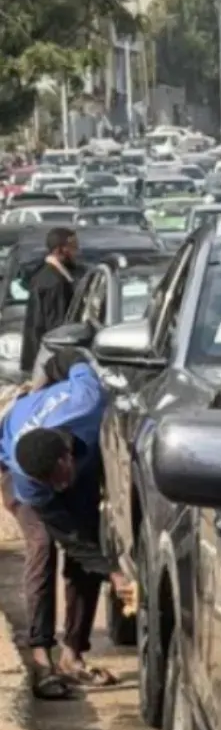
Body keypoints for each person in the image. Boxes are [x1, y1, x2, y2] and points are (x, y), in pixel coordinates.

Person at [0, 344, 127, 697]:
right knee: (42, 545)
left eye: (58, 480)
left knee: (86, 552)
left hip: (78, 459)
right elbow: (66, 533)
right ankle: (42, 657)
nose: (57, 488)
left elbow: (67, 356)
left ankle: (73, 655)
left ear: (65, 456)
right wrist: (113, 572)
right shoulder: (30, 476)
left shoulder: (86, 401)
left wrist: (41, 384)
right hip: (10, 462)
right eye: (49, 485)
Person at [20, 227, 80, 377]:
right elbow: (56, 330)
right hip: (49, 365)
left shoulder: (47, 275)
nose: (77, 252)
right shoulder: (54, 282)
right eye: (73, 247)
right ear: (59, 250)